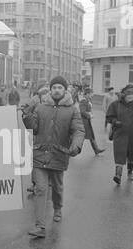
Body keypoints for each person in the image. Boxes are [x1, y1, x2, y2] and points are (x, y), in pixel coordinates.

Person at [22, 76, 85, 238]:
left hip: (59, 154)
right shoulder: (41, 107)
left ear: (65, 90)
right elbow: (34, 128)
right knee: (41, 189)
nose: (56, 90)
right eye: (54, 87)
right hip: (39, 153)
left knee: (57, 188)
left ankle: (58, 208)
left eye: (60, 87)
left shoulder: (72, 110)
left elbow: (78, 130)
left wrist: (76, 145)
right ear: (50, 90)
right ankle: (40, 226)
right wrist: (26, 115)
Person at [79, 88, 105, 155]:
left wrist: (90, 114)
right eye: (91, 94)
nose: (92, 95)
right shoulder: (83, 101)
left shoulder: (88, 100)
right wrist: (89, 115)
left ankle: (96, 150)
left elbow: (88, 110)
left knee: (91, 136)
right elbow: (82, 111)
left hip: (87, 121)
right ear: (87, 94)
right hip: (83, 122)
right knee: (81, 137)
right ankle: (72, 150)